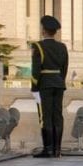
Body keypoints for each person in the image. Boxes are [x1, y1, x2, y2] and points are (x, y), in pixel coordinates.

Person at [31, 15, 69, 158]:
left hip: (44, 85)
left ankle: (48, 149)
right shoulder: (62, 46)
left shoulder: (38, 46)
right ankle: (57, 150)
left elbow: (36, 70)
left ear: (44, 30)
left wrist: (34, 87)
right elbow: (65, 68)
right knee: (57, 116)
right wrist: (59, 80)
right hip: (59, 84)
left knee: (45, 116)